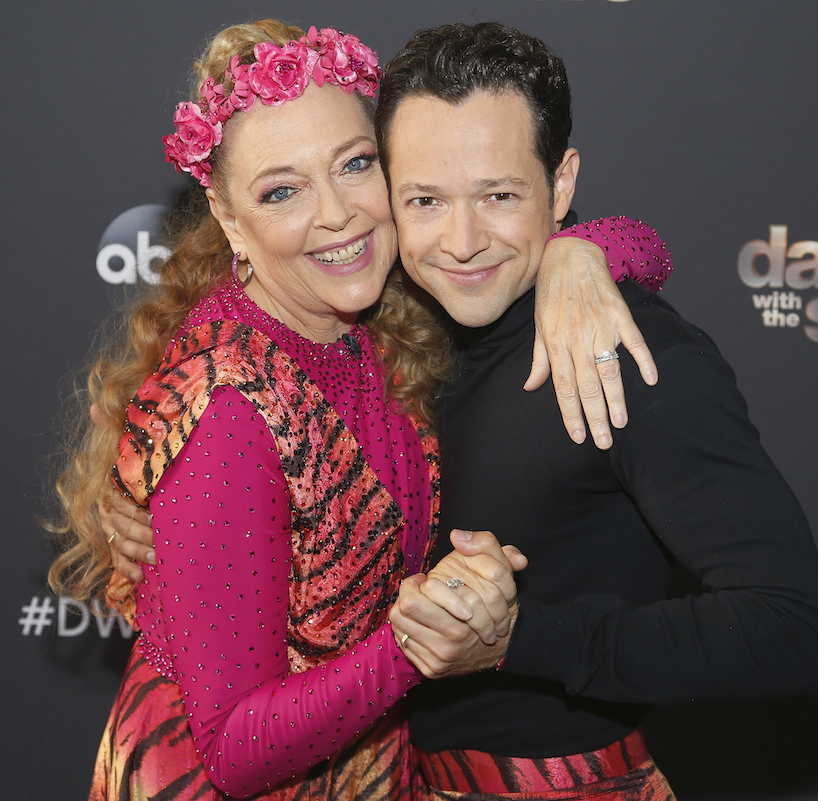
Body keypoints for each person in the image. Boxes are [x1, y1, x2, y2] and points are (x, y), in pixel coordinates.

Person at [46, 19, 672, 801]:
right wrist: (423, 638)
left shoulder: (379, 306)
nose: (338, 213)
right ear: (231, 218)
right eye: (282, 190)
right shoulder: (227, 405)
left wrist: (579, 254)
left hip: (364, 766)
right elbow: (235, 749)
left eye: (355, 164)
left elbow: (647, 245)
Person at [368, 22, 818, 800]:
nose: (460, 240)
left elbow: (793, 630)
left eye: (499, 195)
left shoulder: (630, 355)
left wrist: (520, 636)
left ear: (559, 186)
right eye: (425, 200)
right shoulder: (394, 329)